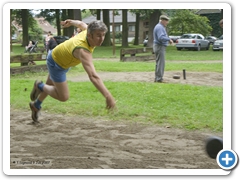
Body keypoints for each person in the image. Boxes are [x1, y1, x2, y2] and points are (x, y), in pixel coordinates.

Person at [29, 19, 116, 122]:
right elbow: (93, 76)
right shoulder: (83, 50)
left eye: (103, 35)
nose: (101, 39)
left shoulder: (89, 30)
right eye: (98, 35)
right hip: (57, 64)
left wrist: (71, 22)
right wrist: (108, 96)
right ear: (89, 35)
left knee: (50, 86)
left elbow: (81, 24)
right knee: (63, 96)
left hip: (60, 57)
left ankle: (36, 105)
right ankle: (39, 86)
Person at [153, 15, 173, 83]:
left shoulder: (160, 27)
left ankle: (157, 78)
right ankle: (159, 79)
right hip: (160, 46)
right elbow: (161, 37)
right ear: (163, 20)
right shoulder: (159, 27)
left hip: (158, 46)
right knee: (161, 63)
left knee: (159, 63)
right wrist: (169, 39)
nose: (167, 22)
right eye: (166, 21)